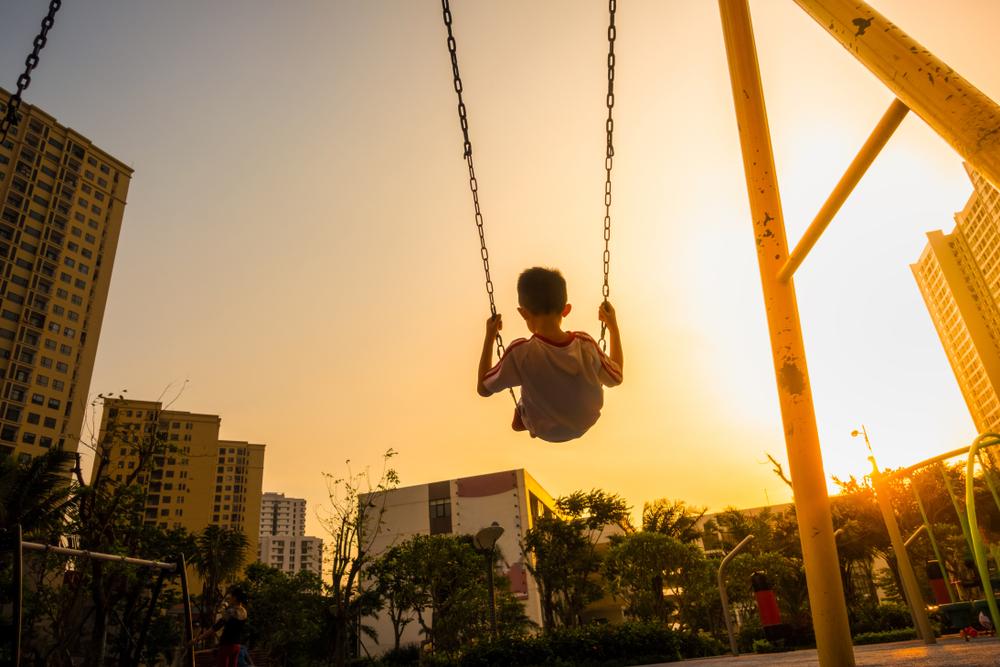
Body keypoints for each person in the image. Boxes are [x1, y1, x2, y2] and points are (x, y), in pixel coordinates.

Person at [477, 267, 623, 442]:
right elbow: (617, 377)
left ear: (523, 313)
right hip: (584, 422)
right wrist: (613, 327)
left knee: (531, 382)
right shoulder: (586, 345)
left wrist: (490, 336)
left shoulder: (520, 353)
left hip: (542, 428)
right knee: (580, 376)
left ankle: (522, 415)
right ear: (566, 310)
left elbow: (483, 389)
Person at [191, 586, 249, 667]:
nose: (230, 598)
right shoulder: (244, 612)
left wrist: (198, 638)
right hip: (237, 646)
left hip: (226, 646)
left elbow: (215, 627)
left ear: (235, 598)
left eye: (231, 596)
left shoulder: (230, 612)